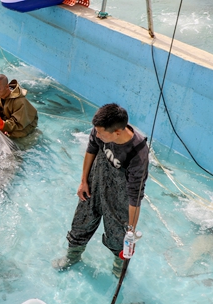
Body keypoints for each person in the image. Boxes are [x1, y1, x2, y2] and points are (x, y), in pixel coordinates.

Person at [52, 103, 149, 277]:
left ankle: (119, 268)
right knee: (81, 222)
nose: (96, 134)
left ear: (117, 133)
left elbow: (136, 195)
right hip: (95, 182)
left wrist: (131, 231)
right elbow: (91, 149)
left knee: (120, 237)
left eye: (100, 132)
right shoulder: (101, 130)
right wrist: (83, 182)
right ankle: (72, 256)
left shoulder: (137, 153)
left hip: (120, 196)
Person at [0, 74, 39, 138]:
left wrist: (4, 126)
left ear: (7, 87)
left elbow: (17, 123)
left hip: (24, 125)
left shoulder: (19, 101)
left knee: (11, 136)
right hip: (9, 119)